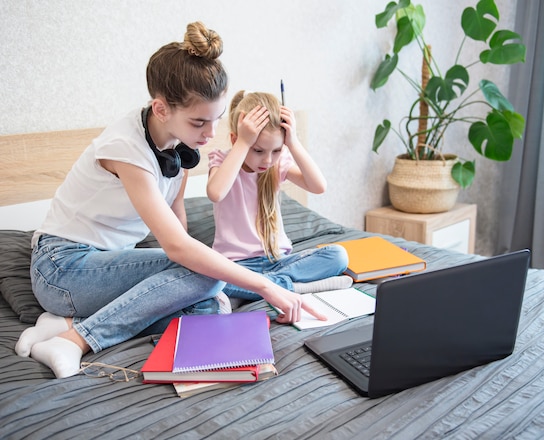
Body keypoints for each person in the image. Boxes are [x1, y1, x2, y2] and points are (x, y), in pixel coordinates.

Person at [15, 22, 325, 379]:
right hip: (62, 269)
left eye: (216, 121)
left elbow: (178, 221)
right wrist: (264, 286)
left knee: (209, 306)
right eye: (198, 123)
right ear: (161, 109)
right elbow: (177, 248)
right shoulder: (125, 148)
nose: (210, 135)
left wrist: (191, 280)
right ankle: (75, 339)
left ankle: (66, 322)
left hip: (110, 268)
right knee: (207, 277)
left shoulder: (179, 146)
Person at [205, 90, 352, 301]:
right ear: (236, 140)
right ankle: (291, 287)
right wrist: (243, 144)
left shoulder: (276, 164)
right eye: (258, 150)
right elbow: (216, 192)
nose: (267, 160)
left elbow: (318, 186)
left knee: (338, 256)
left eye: (276, 150)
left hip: (278, 260)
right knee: (209, 279)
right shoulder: (221, 159)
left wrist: (293, 142)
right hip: (236, 266)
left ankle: (267, 286)